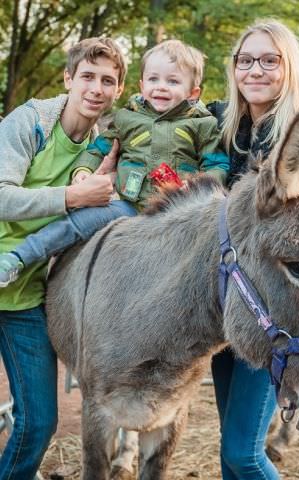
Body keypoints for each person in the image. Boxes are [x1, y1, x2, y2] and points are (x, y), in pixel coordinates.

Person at [207, 20, 299, 479]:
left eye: (270, 60)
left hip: (275, 305)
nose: (256, 70)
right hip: (226, 303)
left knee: (243, 453)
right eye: (245, 60)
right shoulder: (220, 128)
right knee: (229, 447)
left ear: (288, 67)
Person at [0, 39, 229, 288]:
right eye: (153, 80)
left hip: (179, 208)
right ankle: (18, 258)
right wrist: (83, 171)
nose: (161, 87)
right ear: (142, 86)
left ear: (193, 92)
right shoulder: (126, 118)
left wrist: (198, 184)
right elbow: (98, 150)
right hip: (130, 204)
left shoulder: (202, 125)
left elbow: (217, 164)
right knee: (78, 224)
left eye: (172, 81)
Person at [0, 37, 126, 479]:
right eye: (88, 77)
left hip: (24, 292)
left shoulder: (108, 148)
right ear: (69, 79)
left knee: (38, 423)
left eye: (108, 81)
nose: (96, 88)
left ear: (118, 91)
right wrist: (74, 196)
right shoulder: (30, 122)